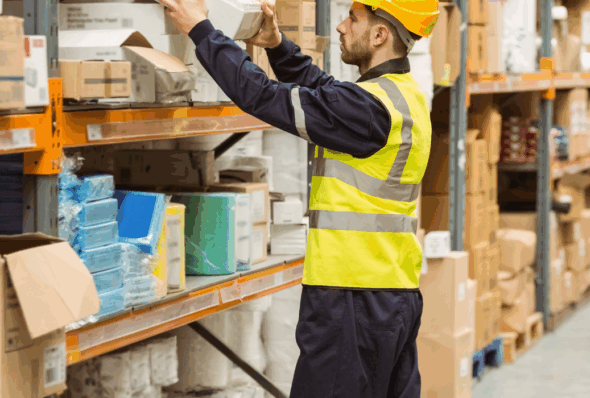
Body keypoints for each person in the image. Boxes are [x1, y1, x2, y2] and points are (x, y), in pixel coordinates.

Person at [164, 0, 438, 396]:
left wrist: (201, 29)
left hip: (352, 294)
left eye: (353, 20)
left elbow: (262, 96)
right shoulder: (398, 96)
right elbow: (323, 89)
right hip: (391, 288)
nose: (341, 27)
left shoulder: (369, 108)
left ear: (380, 36)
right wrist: (276, 45)